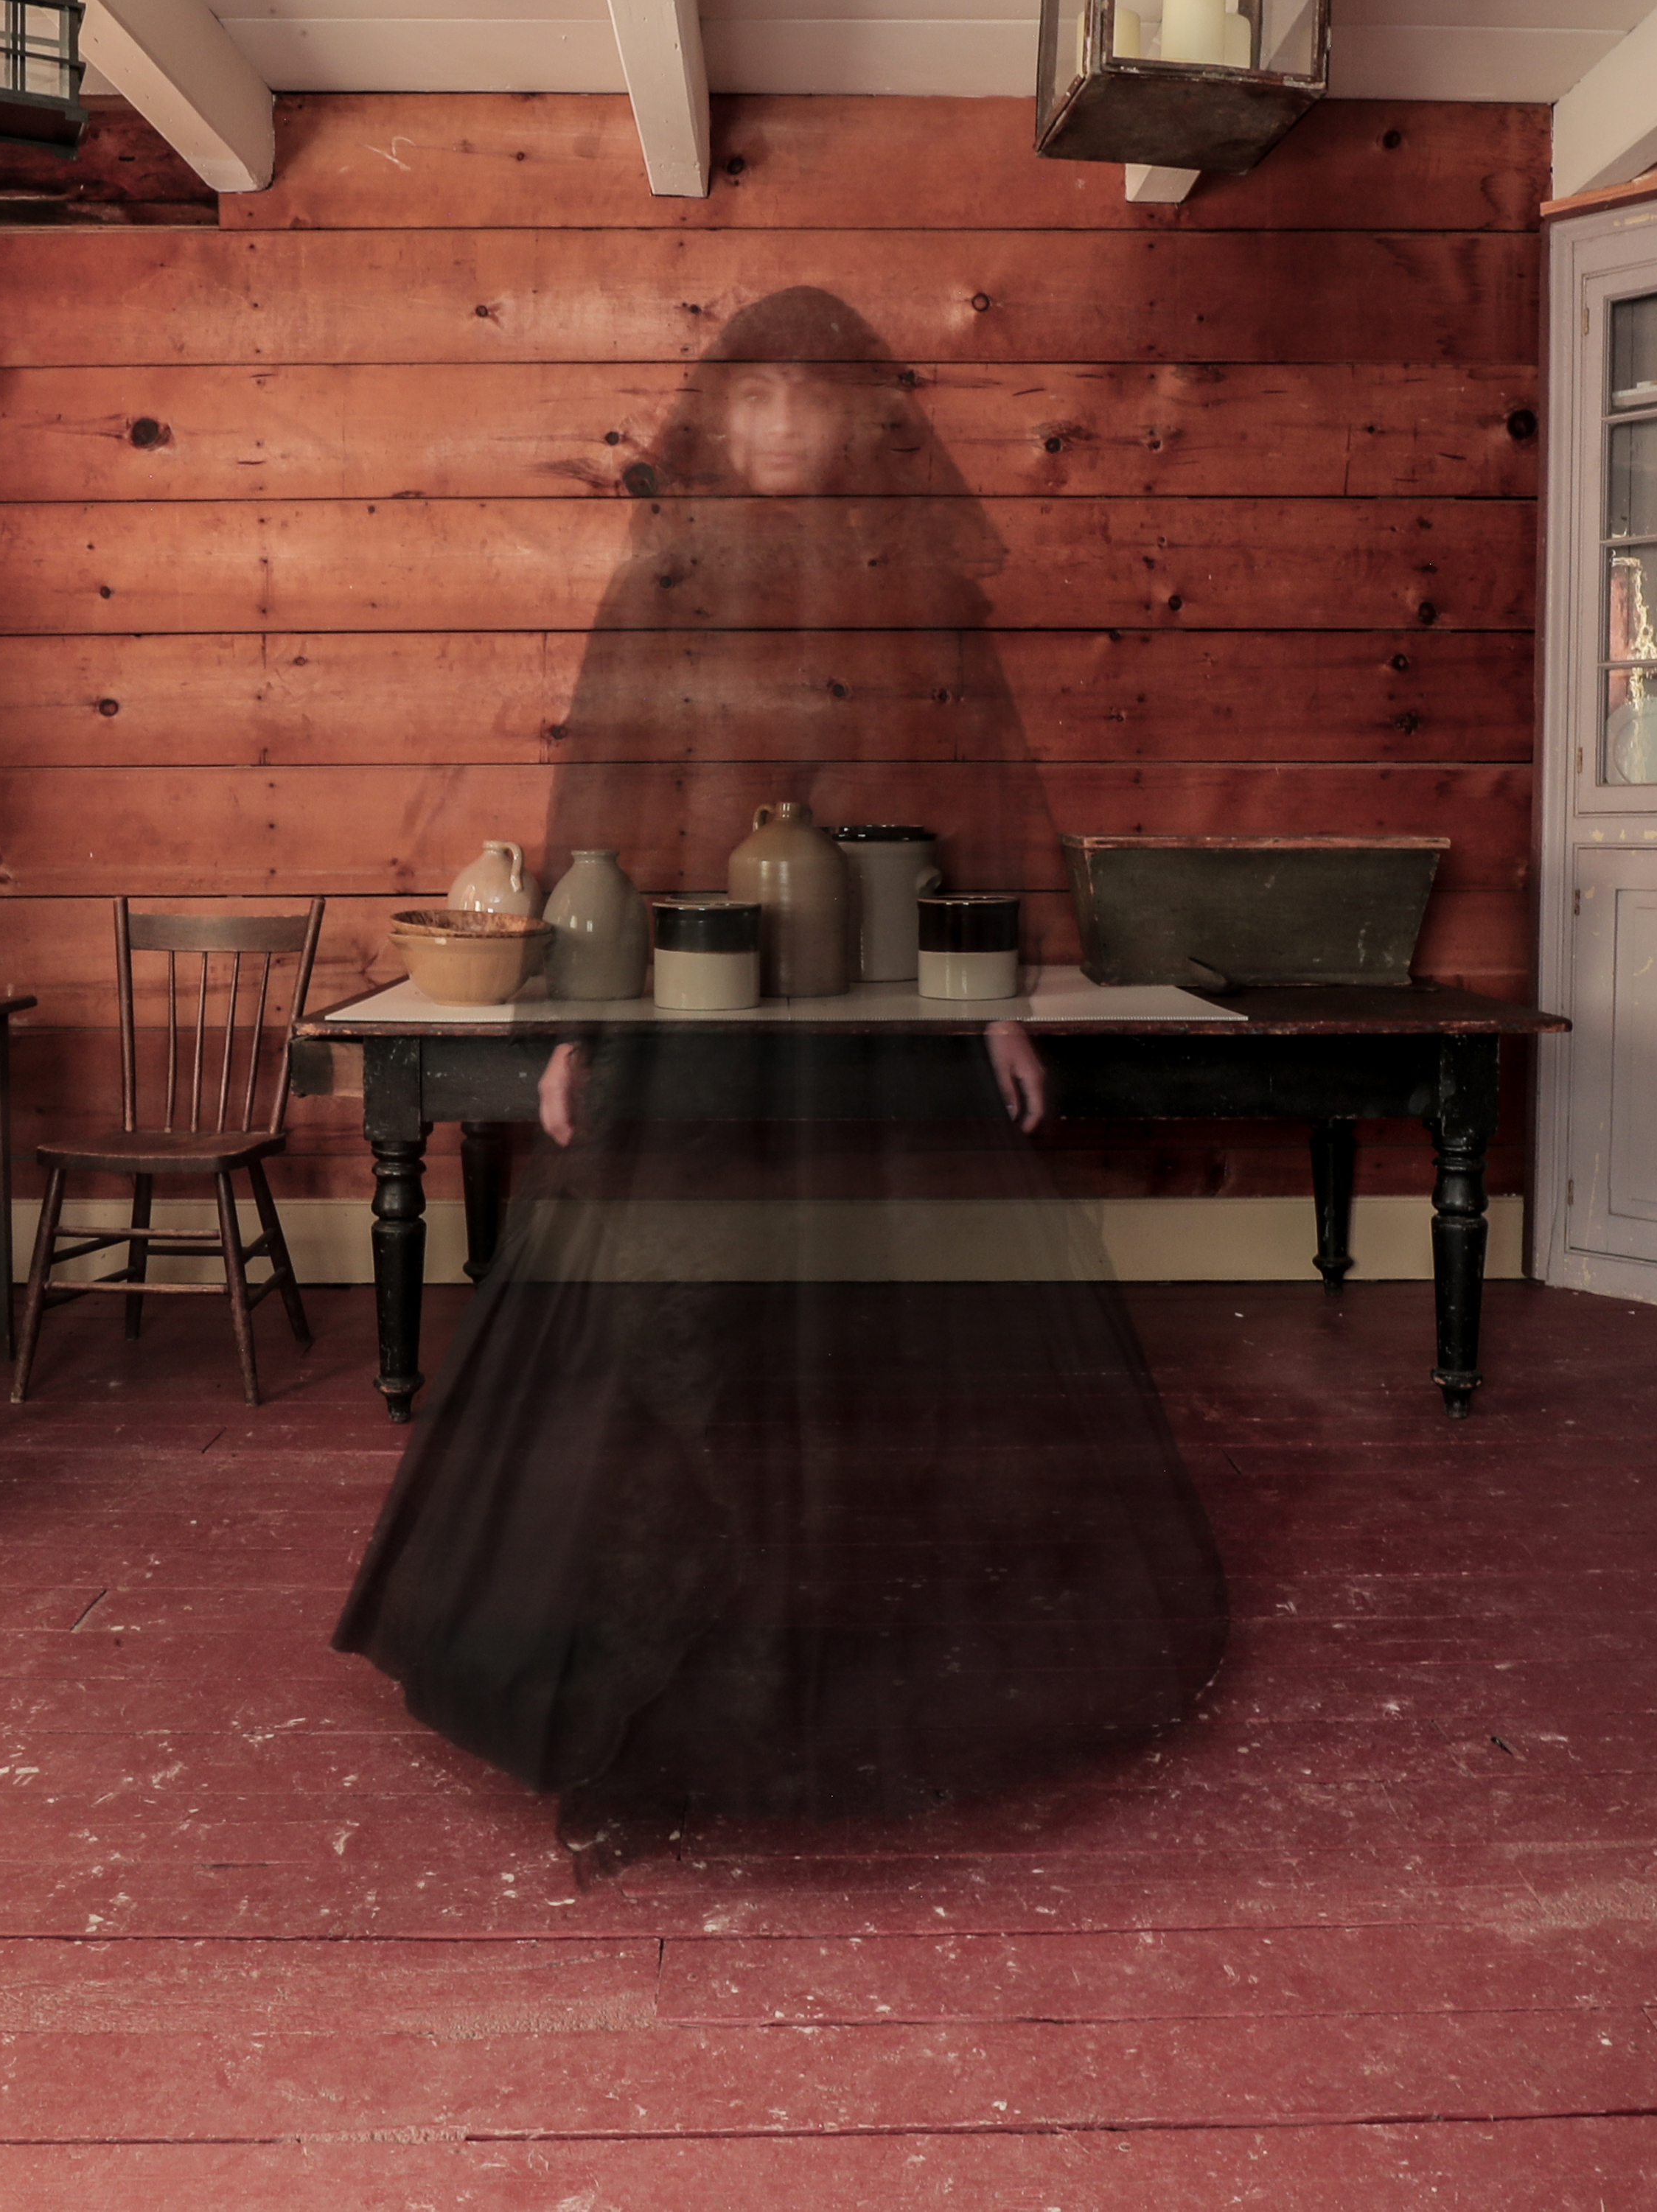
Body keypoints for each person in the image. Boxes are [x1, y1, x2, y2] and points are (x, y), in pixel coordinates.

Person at [330, 290, 1227, 1852]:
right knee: (672, 1332)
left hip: (881, 1035)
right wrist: (576, 1026)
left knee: (893, 1347)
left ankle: (869, 1694)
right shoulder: (662, 577)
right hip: (690, 1025)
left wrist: (990, 1004)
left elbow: (980, 802)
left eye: (809, 404)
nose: (780, 432)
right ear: (712, 422)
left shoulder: (920, 587)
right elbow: (602, 804)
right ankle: (635, 1709)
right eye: (751, 404)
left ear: (861, 423)